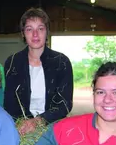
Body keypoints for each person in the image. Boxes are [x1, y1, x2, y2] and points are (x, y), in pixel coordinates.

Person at [4, 7, 73, 135]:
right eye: (29, 29)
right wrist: (21, 125)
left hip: (52, 126)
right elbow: (9, 103)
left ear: (47, 32)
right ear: (23, 33)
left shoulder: (61, 62)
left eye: (40, 28)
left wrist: (38, 121)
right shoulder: (13, 62)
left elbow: (64, 104)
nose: (35, 34)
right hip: (21, 127)